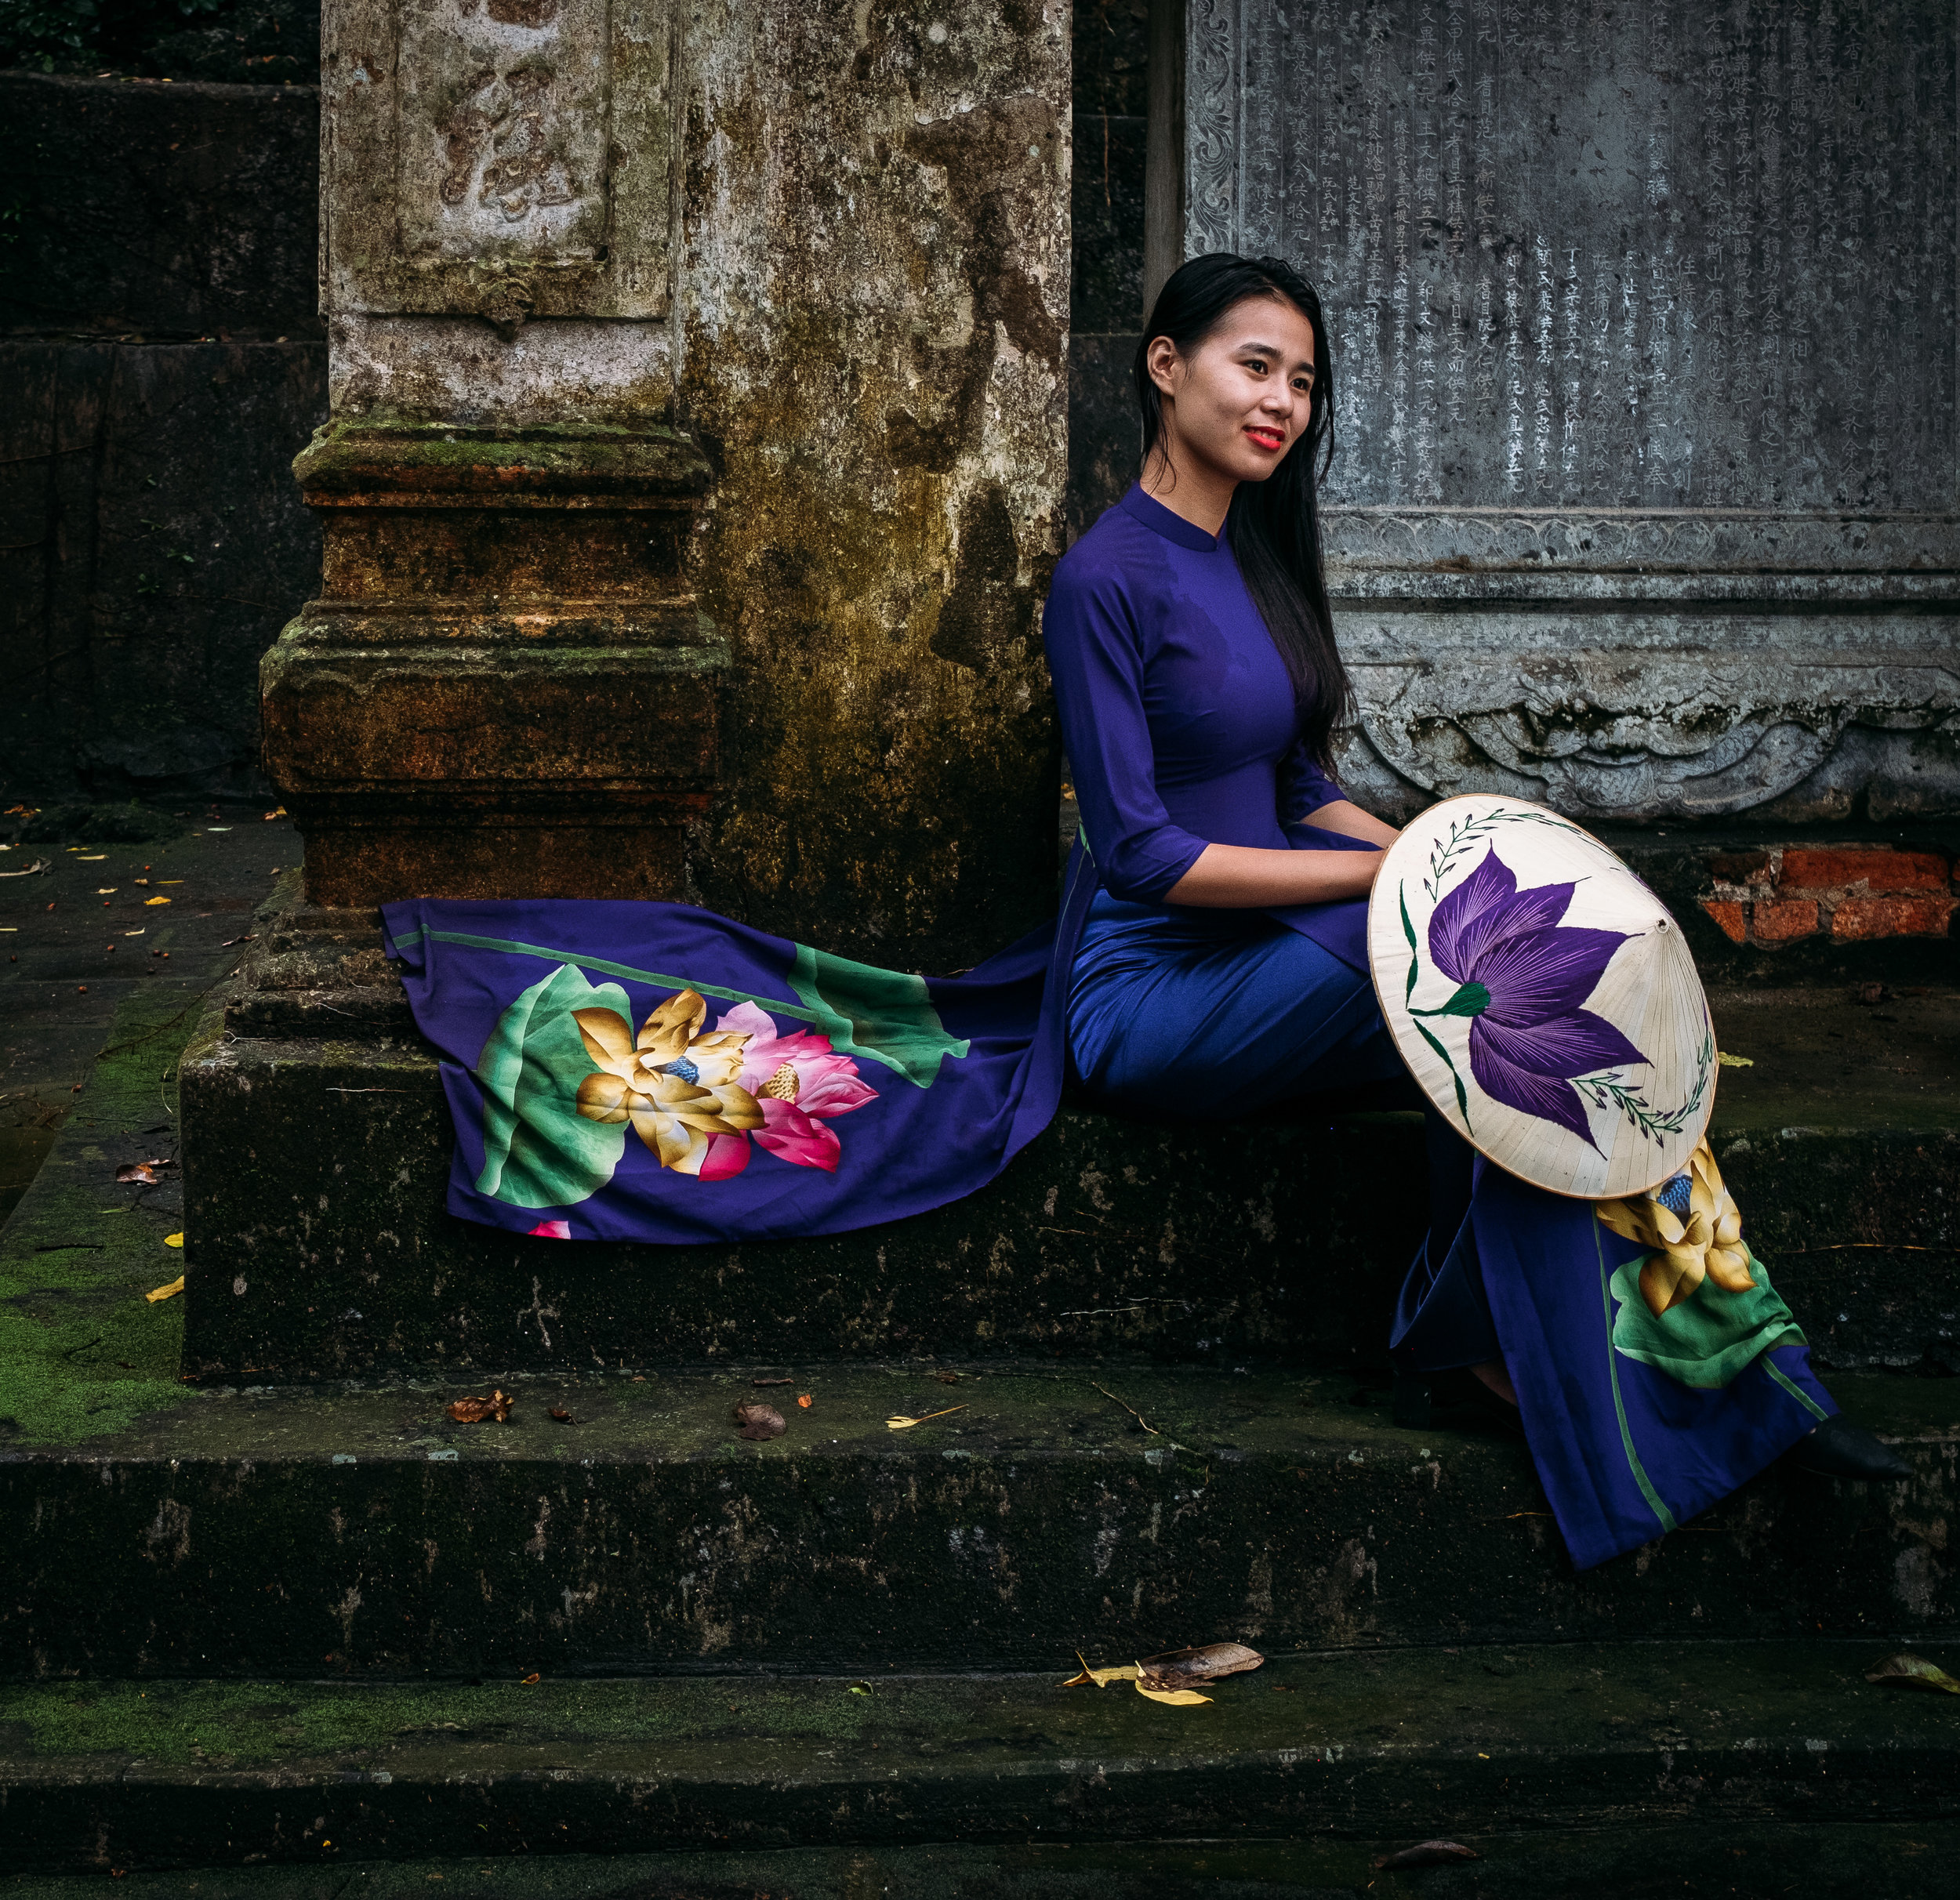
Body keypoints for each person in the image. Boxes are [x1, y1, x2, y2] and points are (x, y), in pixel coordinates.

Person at [1040, 252, 1909, 1568]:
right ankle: (1525, 1358)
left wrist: (1465, 860)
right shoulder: (1105, 579)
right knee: (1479, 991)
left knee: (1537, 952)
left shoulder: (1259, 555)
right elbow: (1146, 855)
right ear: (1167, 368)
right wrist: (1399, 884)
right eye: (1254, 366)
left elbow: (1294, 785)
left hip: (1284, 945)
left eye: (1305, 380)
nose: (1283, 401)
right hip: (1155, 987)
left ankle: (1715, 1352)